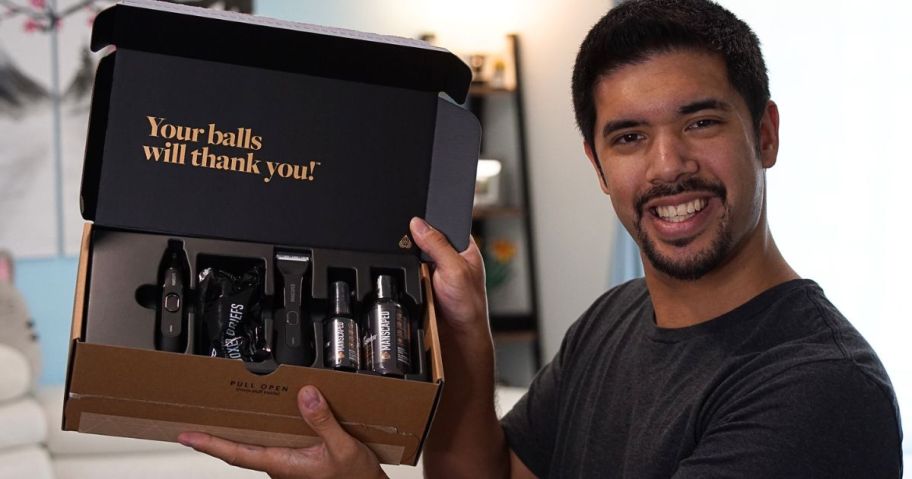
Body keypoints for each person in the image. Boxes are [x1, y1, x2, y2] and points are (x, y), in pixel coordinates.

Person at [177, 0, 904, 477]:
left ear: (766, 134)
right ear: (596, 163)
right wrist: (467, 333)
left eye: (701, 121)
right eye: (628, 136)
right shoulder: (614, 321)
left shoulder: (819, 389)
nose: (668, 166)